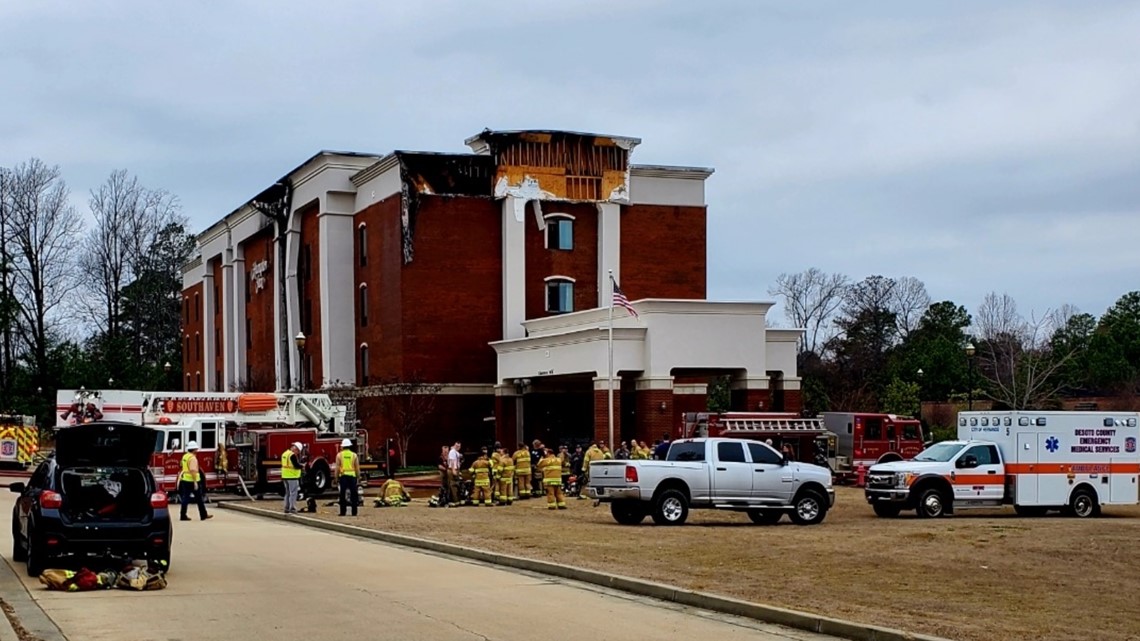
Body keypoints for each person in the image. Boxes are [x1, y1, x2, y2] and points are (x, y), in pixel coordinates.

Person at [179, 441, 212, 521]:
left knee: (185, 498)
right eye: (196, 448)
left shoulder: (185, 456)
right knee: (199, 499)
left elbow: (181, 465)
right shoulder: (193, 458)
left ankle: (183, 515)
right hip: (192, 481)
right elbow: (193, 470)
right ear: (193, 449)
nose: (197, 450)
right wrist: (195, 482)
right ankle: (203, 515)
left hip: (184, 479)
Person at [336, 438, 360, 517]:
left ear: (343, 446)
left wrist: (336, 478)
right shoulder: (354, 455)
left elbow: (337, 467)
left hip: (343, 476)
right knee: (353, 494)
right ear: (349, 446)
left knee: (342, 494)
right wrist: (358, 477)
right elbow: (357, 467)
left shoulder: (339, 455)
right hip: (352, 476)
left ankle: (343, 512)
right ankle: (354, 512)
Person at [281, 442, 304, 514]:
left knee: (287, 493)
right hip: (292, 476)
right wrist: (302, 466)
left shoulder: (285, 453)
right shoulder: (292, 455)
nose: (298, 453)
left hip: (285, 476)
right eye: (298, 451)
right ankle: (292, 508)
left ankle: (286, 507)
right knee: (293, 493)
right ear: (296, 449)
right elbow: (296, 465)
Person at [447, 441, 462, 507]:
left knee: (456, 485)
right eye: (457, 446)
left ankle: (456, 500)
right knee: (453, 485)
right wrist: (453, 470)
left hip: (456, 469)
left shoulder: (456, 452)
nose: (458, 447)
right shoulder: (452, 452)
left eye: (459, 446)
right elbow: (452, 461)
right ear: (454, 445)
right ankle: (454, 500)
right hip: (452, 469)